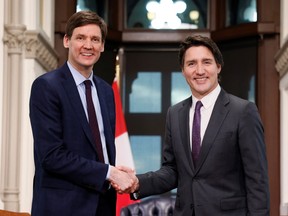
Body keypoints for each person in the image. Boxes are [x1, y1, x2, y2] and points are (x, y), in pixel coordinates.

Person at [119, 35, 270, 215]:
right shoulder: (174, 114)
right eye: (191, 64)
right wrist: (137, 182)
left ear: (218, 67)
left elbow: (257, 180)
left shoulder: (243, 111)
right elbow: (172, 171)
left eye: (206, 62)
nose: (199, 70)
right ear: (183, 71)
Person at [29, 11, 136, 216]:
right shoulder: (46, 87)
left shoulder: (105, 91)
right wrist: (109, 172)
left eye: (95, 39)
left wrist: (116, 172)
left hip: (102, 205)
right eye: (81, 38)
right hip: (61, 207)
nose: (88, 45)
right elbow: (51, 156)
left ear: (102, 46)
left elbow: (102, 149)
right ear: (67, 41)